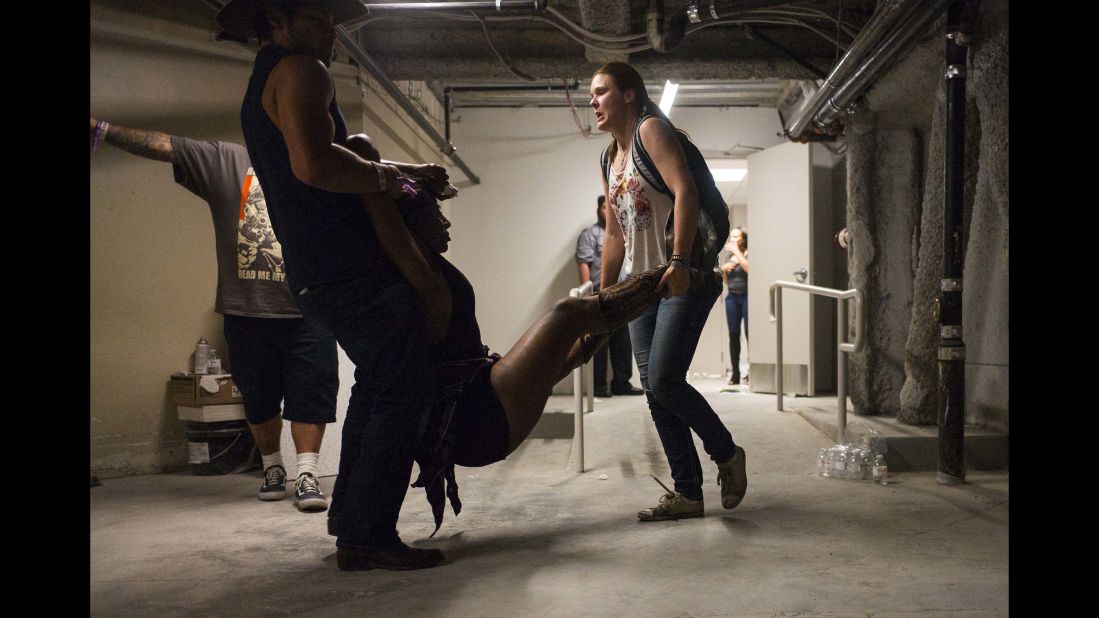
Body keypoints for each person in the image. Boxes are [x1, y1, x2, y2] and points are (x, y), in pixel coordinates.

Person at [220, 0, 453, 571]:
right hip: (346, 265)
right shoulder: (302, 70)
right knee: (403, 383)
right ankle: (367, 534)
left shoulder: (264, 81)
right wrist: (390, 184)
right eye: (320, 19)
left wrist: (401, 171)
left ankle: (354, 522)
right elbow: (315, 165)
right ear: (277, 19)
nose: (334, 32)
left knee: (381, 382)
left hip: (318, 269)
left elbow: (331, 153)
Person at [89, 115, 339, 513]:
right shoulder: (228, 161)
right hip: (246, 311)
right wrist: (103, 129)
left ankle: (306, 474)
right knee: (258, 399)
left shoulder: (320, 164)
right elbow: (164, 144)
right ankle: (273, 468)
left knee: (312, 397)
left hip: (312, 309)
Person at [589, 61, 748, 521]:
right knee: (654, 392)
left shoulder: (651, 130)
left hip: (682, 276)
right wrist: (603, 300)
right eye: (591, 96)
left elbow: (685, 192)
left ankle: (727, 453)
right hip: (641, 288)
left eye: (601, 92)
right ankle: (688, 493)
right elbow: (615, 234)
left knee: (663, 379)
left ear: (629, 95)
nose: (593, 102)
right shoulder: (607, 157)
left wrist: (679, 260)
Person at [575, 196, 642, 398]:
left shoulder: (626, 235)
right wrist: (586, 295)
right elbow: (584, 263)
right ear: (599, 209)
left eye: (611, 208)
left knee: (623, 341)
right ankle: (599, 386)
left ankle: (621, 383)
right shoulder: (590, 234)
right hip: (599, 294)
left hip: (623, 294)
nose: (608, 211)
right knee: (599, 342)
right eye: (605, 207)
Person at [719, 227, 749, 385]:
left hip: (748, 296)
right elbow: (726, 281)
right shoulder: (729, 256)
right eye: (731, 237)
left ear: (743, 238)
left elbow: (750, 269)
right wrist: (724, 270)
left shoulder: (747, 253)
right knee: (733, 335)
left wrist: (737, 252)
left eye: (735, 236)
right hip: (732, 297)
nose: (732, 239)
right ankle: (735, 373)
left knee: (750, 334)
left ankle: (751, 373)